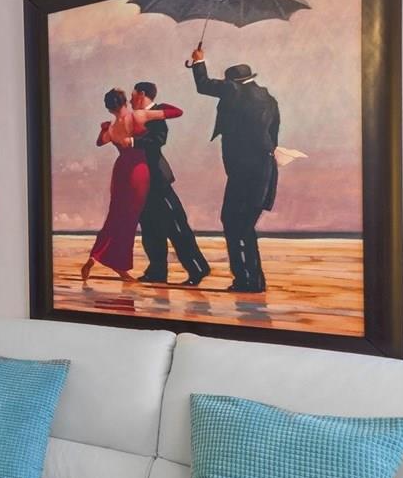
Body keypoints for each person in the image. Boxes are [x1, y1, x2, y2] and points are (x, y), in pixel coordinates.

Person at [188, 45, 280, 294]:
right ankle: (254, 280)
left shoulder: (233, 90)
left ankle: (245, 279)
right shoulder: (269, 100)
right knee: (245, 224)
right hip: (265, 169)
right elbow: (274, 137)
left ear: (233, 82)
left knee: (231, 221)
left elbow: (203, 85)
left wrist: (198, 60)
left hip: (242, 171)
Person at [80, 88, 183, 282]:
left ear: (109, 108)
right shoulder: (139, 116)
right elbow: (177, 112)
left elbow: (100, 142)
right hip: (137, 172)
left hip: (121, 171)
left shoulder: (112, 128)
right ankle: (120, 266)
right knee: (129, 220)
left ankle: (94, 257)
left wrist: (104, 128)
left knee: (115, 216)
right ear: (125, 101)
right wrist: (154, 106)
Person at [131, 81, 210, 287]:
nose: (130, 99)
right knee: (149, 227)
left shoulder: (157, 113)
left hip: (157, 179)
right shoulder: (136, 115)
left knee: (176, 225)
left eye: (133, 94)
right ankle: (157, 270)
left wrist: (133, 142)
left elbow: (159, 139)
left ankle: (197, 268)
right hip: (142, 180)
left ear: (141, 94)